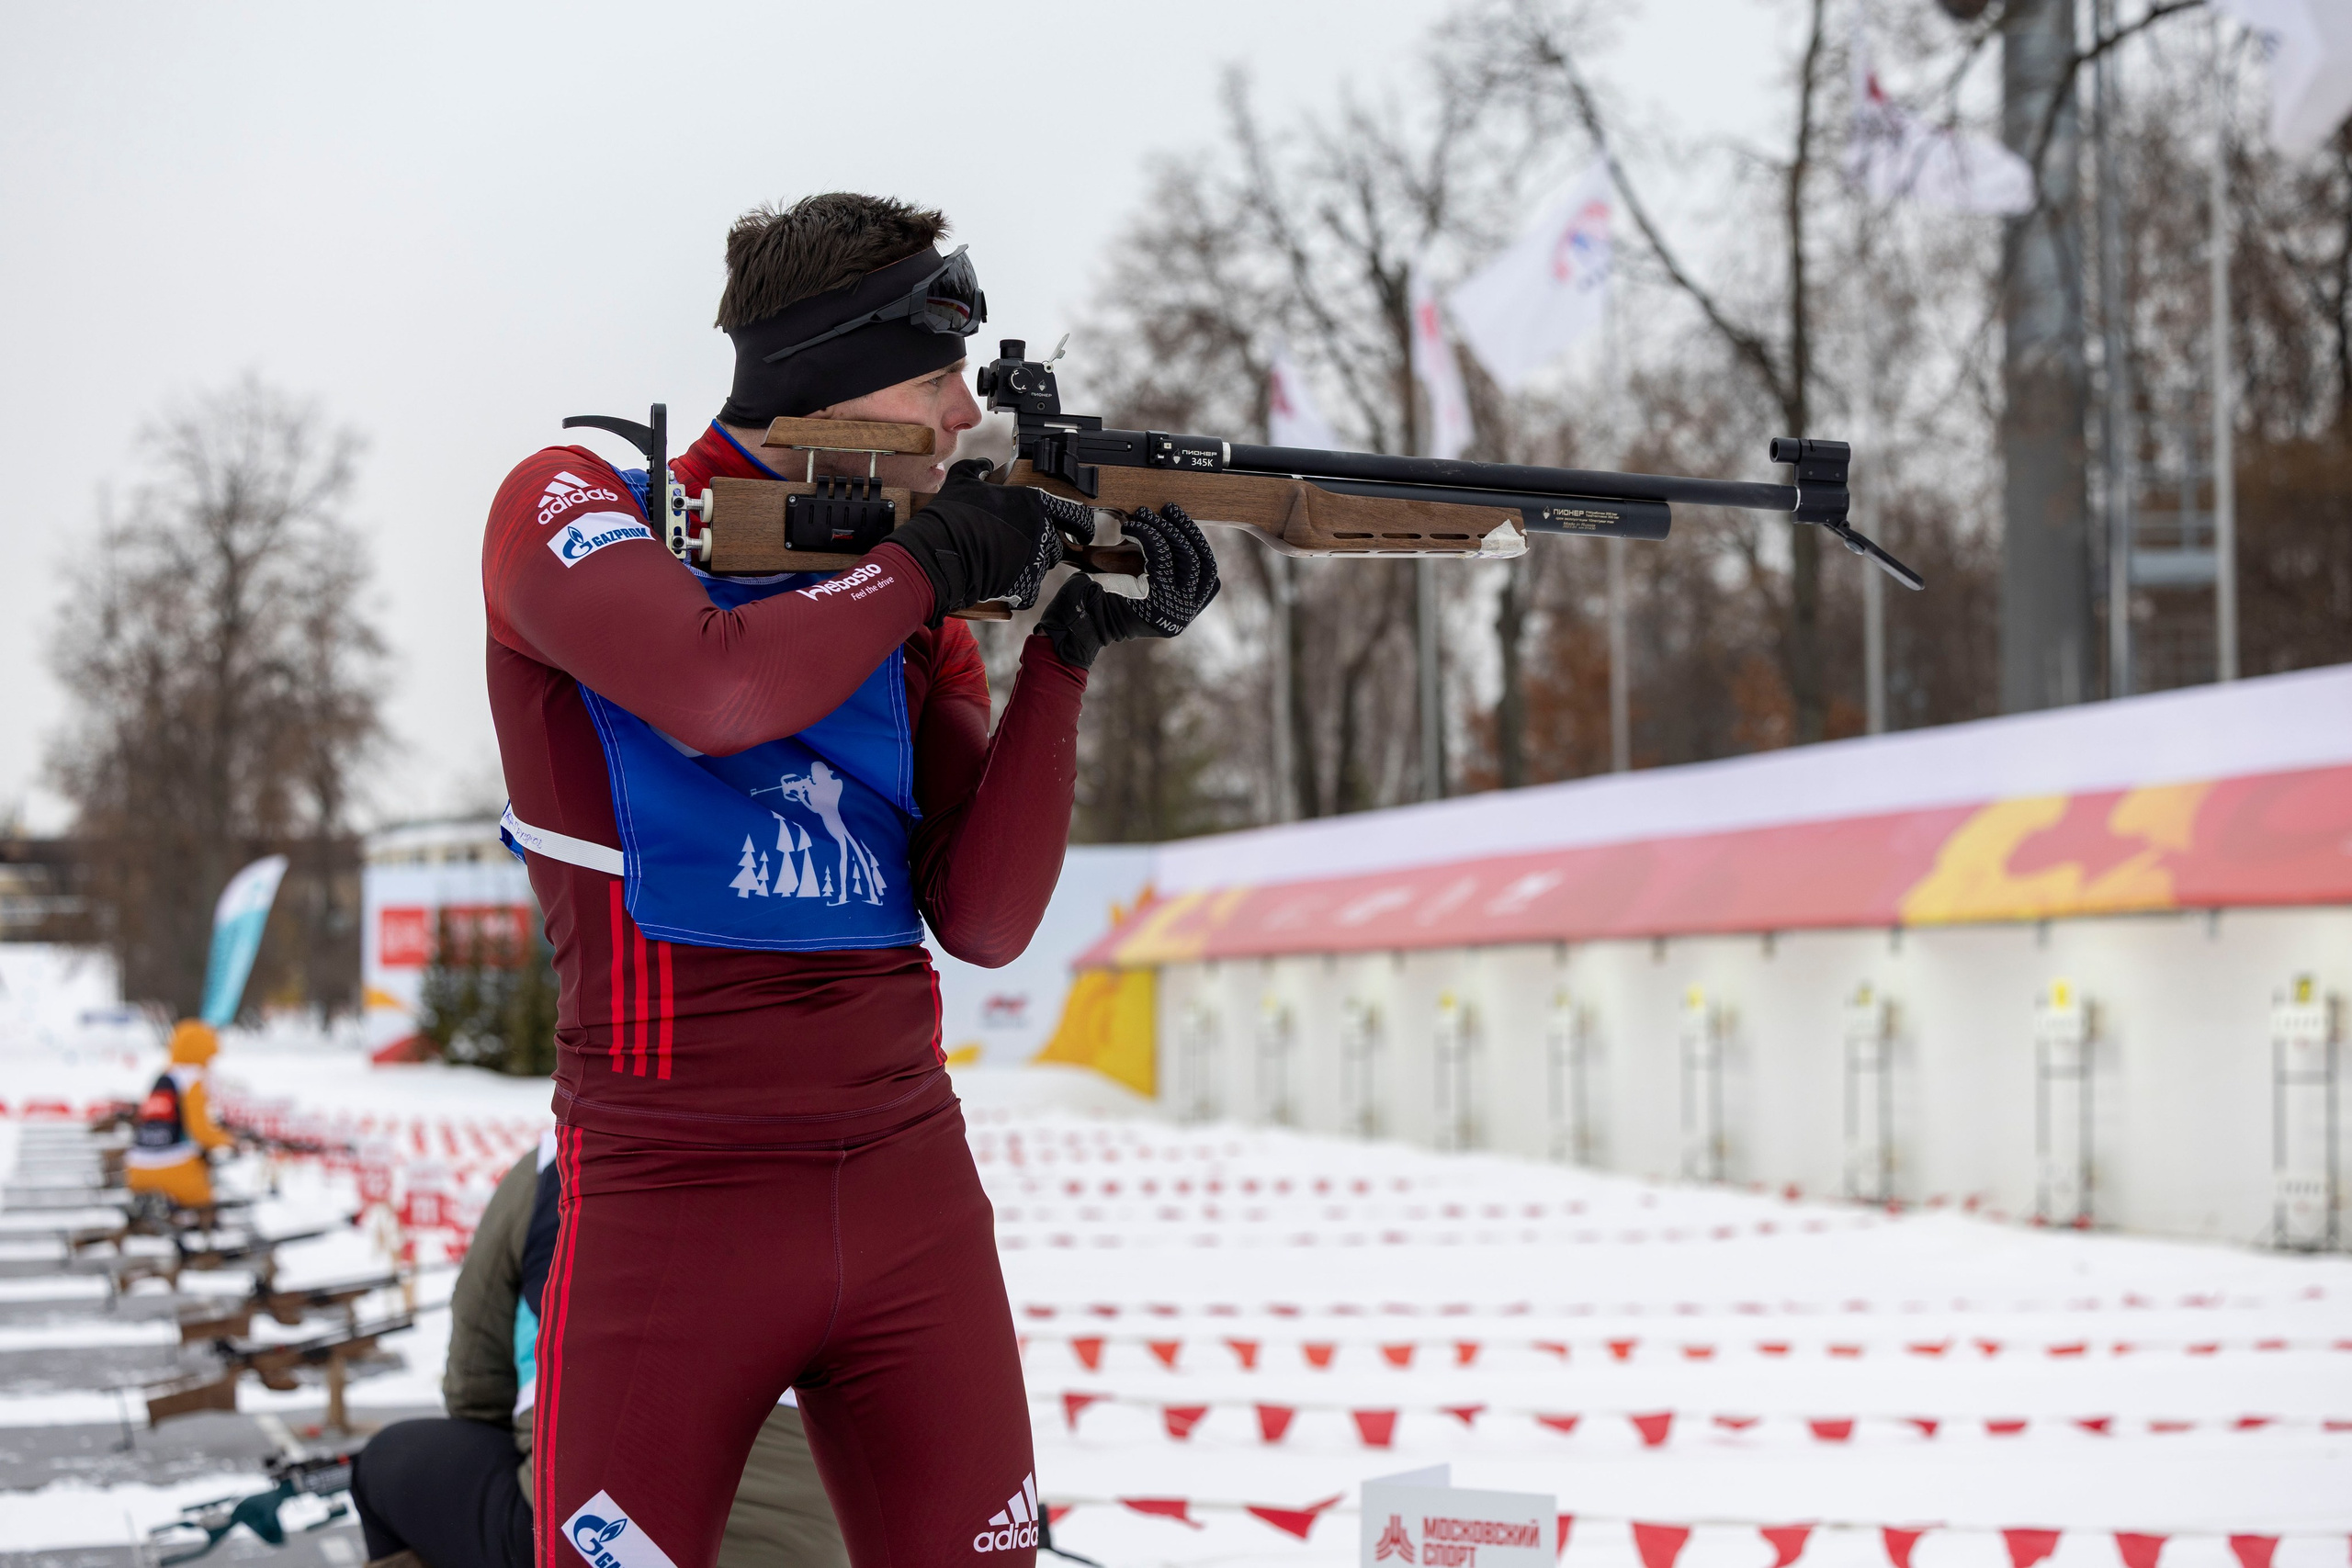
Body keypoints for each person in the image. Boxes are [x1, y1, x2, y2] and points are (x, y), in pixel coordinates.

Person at [481, 192, 1217, 1568]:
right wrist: (919, 570)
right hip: (668, 1198)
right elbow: (717, 687)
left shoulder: (908, 598)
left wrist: (1067, 656)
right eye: (937, 375)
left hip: (905, 1188)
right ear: (836, 371)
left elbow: (984, 920)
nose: (963, 414)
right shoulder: (577, 504)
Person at [352, 1138, 847, 1568]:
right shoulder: (843, 1161)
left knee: (387, 1463)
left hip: (599, 1539)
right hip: (822, 1547)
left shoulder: (557, 1160)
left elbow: (475, 1388)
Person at [125, 1019, 234, 1213]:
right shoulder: (191, 1079)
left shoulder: (164, 1076)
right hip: (173, 1168)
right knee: (205, 1201)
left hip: (136, 1168)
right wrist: (228, 1140)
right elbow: (200, 1131)